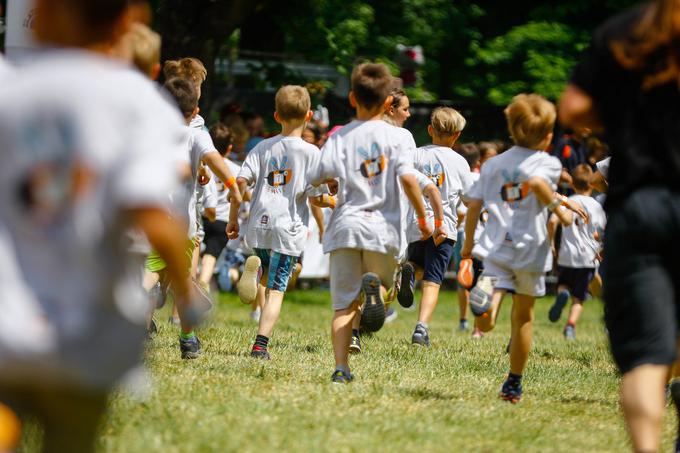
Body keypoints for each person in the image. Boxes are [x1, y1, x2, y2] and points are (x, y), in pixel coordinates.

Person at [0, 0, 198, 450]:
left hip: (7, 323)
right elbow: (150, 207)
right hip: (85, 333)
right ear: (128, 22)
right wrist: (186, 290)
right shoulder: (136, 102)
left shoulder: (10, 90)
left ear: (41, 16)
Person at [559, 1, 680, 450]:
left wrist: (622, 118)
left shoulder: (627, 31)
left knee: (644, 355)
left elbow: (571, 109)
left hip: (641, 204)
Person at [308, 63, 434, 383]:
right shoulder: (397, 138)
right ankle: (376, 287)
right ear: (387, 102)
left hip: (345, 224)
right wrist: (422, 215)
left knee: (342, 305)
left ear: (352, 98)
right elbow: (407, 178)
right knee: (385, 280)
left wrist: (330, 186)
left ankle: (341, 369)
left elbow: (317, 176)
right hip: (382, 227)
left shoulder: (341, 137)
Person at [461, 94, 577, 403]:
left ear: (512, 129)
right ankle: (513, 383)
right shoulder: (549, 163)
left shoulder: (493, 164)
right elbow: (540, 186)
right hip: (531, 249)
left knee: (489, 313)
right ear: (549, 136)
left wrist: (467, 249)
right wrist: (561, 210)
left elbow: (473, 205)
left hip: (497, 245)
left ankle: (485, 305)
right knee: (523, 316)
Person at [228, 85, 321, 360]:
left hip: (259, 224)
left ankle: (255, 273)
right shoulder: (311, 152)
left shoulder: (262, 147)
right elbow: (318, 195)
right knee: (277, 291)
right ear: (309, 116)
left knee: (266, 272)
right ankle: (260, 345)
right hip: (287, 228)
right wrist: (330, 198)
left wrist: (233, 218)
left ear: (276, 115)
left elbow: (240, 182)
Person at [405, 107, 472, 347]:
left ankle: (410, 272)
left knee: (415, 265)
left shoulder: (416, 155)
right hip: (445, 229)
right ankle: (421, 328)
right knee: (432, 281)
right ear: (456, 136)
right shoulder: (460, 162)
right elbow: (468, 199)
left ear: (430, 130)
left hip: (417, 224)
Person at [547, 164, 606, 339]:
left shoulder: (568, 200)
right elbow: (600, 233)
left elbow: (552, 222)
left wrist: (551, 244)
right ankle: (570, 326)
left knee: (563, 284)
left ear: (572, 183)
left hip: (567, 255)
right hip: (588, 258)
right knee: (579, 298)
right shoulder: (597, 205)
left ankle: (562, 293)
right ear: (591, 184)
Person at [197, 122, 242, 289]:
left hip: (201, 214)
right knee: (211, 255)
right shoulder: (235, 169)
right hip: (223, 218)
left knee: (195, 250)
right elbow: (243, 192)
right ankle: (203, 282)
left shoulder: (203, 164)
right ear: (229, 148)